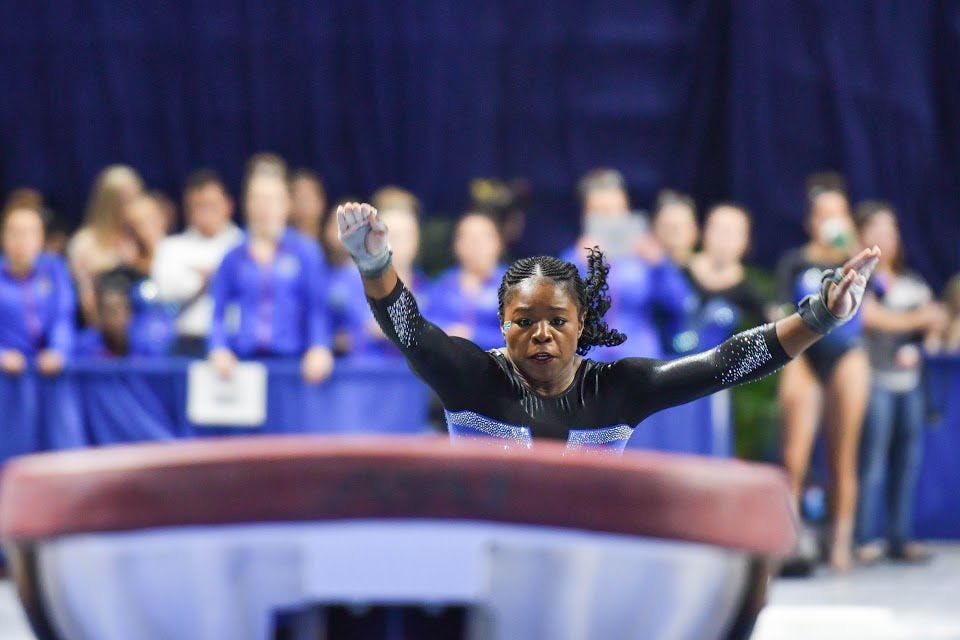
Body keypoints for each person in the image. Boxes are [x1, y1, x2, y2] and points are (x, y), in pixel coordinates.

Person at [337, 201, 879, 455]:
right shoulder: (470, 378)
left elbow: (726, 362)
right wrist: (374, 264)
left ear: (583, 325)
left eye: (557, 321)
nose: (541, 334)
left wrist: (819, 317)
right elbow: (409, 328)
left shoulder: (620, 390)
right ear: (502, 325)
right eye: (524, 322)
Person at [775, 174, 871, 571]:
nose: (830, 221)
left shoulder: (859, 259)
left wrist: (851, 252)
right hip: (805, 356)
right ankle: (790, 542)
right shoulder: (795, 261)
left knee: (842, 456)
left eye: (838, 213)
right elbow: (779, 313)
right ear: (811, 221)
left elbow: (873, 308)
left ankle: (840, 545)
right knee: (794, 456)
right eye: (823, 214)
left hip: (846, 356)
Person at [854, 201, 947, 564]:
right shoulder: (860, 279)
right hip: (874, 379)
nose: (884, 237)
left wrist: (921, 323)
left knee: (907, 463)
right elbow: (872, 320)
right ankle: (863, 538)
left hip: (910, 382)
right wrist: (916, 318)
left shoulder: (912, 280)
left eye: (889, 230)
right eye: (875, 230)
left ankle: (899, 536)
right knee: (872, 462)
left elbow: (936, 319)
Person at [207, 160, 333, 384]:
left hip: (292, 364)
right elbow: (218, 312)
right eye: (258, 199)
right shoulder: (232, 256)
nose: (265, 207)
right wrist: (218, 348)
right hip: (241, 366)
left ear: (287, 203)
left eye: (272, 199)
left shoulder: (306, 252)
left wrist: (319, 347)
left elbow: (318, 308)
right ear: (246, 203)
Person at [565, 168, 693, 360]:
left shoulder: (646, 257)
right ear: (586, 216)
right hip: (587, 361)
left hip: (639, 358)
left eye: (617, 210)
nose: (610, 219)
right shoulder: (573, 259)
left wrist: (661, 266)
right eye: (600, 212)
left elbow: (683, 304)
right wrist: (578, 264)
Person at [152, 170, 243, 357]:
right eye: (198, 206)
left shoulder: (244, 245)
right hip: (187, 344)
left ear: (228, 205)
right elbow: (165, 291)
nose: (205, 213)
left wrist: (205, 274)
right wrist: (208, 279)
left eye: (211, 206)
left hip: (236, 344)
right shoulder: (171, 247)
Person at [676, 203, 768, 354]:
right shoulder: (677, 272)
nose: (724, 239)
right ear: (703, 231)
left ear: (746, 241)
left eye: (733, 233)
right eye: (719, 229)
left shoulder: (752, 294)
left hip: (713, 373)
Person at [0, 200, 75, 376]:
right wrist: (2, 355)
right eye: (14, 233)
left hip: (48, 372)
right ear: (3, 236)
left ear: (41, 237)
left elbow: (62, 317)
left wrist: (58, 351)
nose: (21, 240)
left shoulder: (55, 269)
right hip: (6, 374)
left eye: (28, 233)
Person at [67, 165, 144, 325]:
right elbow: (85, 300)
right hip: (100, 332)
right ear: (110, 203)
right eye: (129, 200)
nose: (136, 207)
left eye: (138, 198)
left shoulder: (138, 240)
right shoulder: (84, 243)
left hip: (139, 330)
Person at [427, 211, 506, 351]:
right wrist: (447, 331)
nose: (476, 245)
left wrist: (474, 335)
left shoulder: (515, 285)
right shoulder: (443, 284)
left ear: (498, 242)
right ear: (456, 245)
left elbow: (521, 332)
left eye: (483, 237)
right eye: (468, 238)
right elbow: (425, 322)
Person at [74, 267, 175, 358]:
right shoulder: (85, 346)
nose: (115, 318)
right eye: (109, 310)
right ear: (100, 312)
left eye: (119, 309)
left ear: (130, 310)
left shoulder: (146, 344)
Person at [124, 192, 169, 276]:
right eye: (138, 223)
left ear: (163, 217)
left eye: (151, 219)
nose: (146, 228)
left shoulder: (182, 248)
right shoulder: (128, 263)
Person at [652, 189, 699, 268]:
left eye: (681, 225)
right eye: (668, 226)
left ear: (695, 231)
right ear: (654, 229)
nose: (675, 232)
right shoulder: (641, 273)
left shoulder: (705, 275)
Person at [289, 169, 327, 242]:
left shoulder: (332, 241)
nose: (303, 204)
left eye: (308, 197)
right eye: (299, 197)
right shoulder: (278, 243)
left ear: (321, 202)